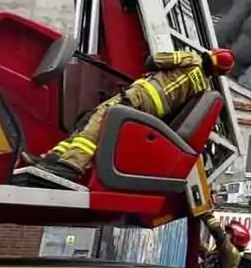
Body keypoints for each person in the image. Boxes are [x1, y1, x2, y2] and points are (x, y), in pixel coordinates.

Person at [20, 47, 235, 187]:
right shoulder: (202, 86)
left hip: (140, 95)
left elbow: (154, 60)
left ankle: (69, 166)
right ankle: (51, 160)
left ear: (211, 54)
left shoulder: (190, 59)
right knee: (89, 121)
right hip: (152, 110)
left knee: (97, 122)